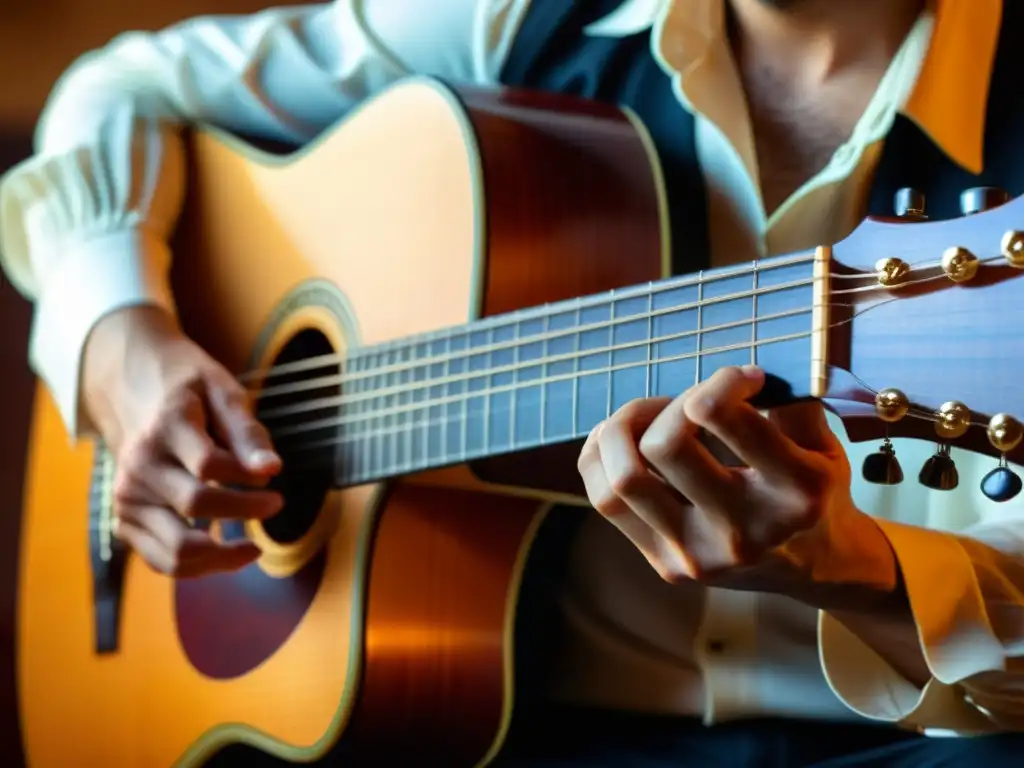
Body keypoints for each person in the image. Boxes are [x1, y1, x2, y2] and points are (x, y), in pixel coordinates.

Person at [2, 0, 1024, 764]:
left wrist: (864, 574)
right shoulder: (530, 19)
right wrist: (119, 342)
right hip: (514, 735)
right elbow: (120, 87)